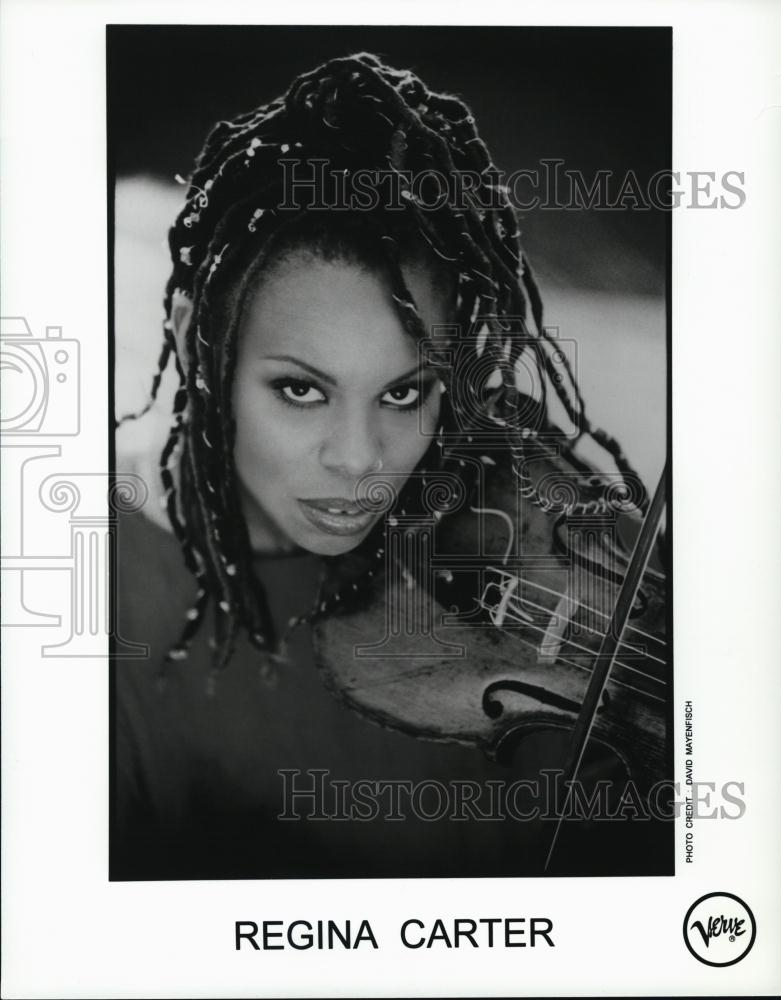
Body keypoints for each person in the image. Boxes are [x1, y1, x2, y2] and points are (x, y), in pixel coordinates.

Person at [112, 52, 671, 880]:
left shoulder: (526, 507)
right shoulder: (102, 597)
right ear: (203, 342)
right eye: (300, 389)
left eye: (406, 393)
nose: (361, 462)